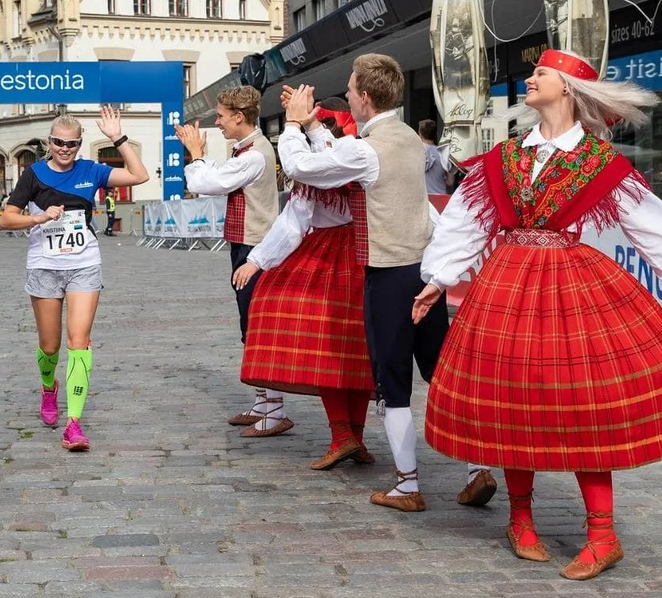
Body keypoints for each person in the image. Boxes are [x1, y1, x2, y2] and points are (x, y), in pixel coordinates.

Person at [413, 49, 662, 580]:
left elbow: (649, 221)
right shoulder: (506, 157)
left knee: (583, 402)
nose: (529, 79)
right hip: (507, 283)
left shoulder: (599, 162)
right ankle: (521, 519)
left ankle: (603, 535)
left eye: (541, 74)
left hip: (571, 285)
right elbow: (464, 219)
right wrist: (437, 278)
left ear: (569, 88)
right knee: (512, 397)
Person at [279, 54, 495, 512]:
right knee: (440, 372)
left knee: (392, 383)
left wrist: (295, 126)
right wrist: (317, 126)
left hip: (387, 273)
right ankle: (477, 468)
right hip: (422, 270)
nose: (350, 92)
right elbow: (343, 155)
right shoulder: (410, 140)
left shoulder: (366, 148)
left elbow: (303, 168)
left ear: (364, 97)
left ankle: (407, 484)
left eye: (352, 87)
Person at [233, 105, 376, 468]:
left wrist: (257, 260)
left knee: (329, 347)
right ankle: (352, 436)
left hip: (331, 257)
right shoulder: (361, 159)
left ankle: (344, 435)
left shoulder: (320, 172)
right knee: (356, 349)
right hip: (367, 253)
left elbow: (293, 223)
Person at [0, 108, 148, 451]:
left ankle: (74, 424)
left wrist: (117, 138)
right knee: (49, 346)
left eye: (72, 144)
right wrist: (38, 219)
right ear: (49, 142)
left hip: (84, 264)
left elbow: (139, 176)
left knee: (78, 341)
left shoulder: (91, 170)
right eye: (59, 143)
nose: (65, 148)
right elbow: (6, 220)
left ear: (80, 145)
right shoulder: (33, 174)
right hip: (45, 266)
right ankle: (48, 389)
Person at [177, 86, 286, 437]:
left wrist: (194, 154)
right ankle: (263, 403)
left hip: (255, 247)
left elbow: (211, 183)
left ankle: (275, 409)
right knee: (250, 324)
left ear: (239, 116)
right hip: (248, 244)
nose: (218, 122)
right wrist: (200, 157)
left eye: (222, 115)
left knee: (256, 327)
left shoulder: (254, 155)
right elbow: (221, 174)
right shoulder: (249, 149)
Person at [419, 119, 451, 195]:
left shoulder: (417, 152)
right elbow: (450, 182)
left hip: (423, 198)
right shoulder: (443, 153)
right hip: (440, 197)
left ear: (420, 134)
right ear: (436, 134)